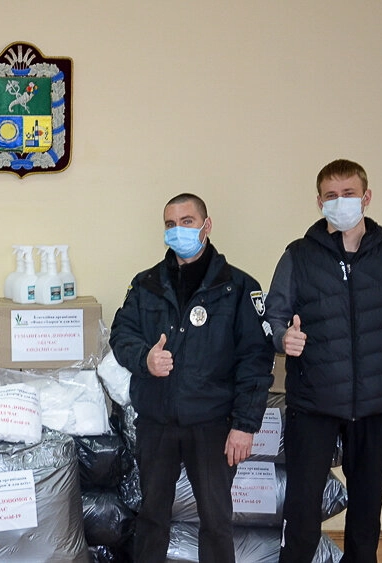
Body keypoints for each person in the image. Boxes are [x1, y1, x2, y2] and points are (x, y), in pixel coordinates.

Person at [109, 193, 274, 563]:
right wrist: (144, 358)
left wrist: (245, 426)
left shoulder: (239, 288)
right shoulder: (146, 284)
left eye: (186, 221)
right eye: (170, 224)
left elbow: (256, 360)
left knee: (216, 520)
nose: (178, 230)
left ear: (206, 225)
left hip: (213, 423)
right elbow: (121, 335)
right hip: (157, 421)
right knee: (151, 516)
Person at [266, 159, 382, 562]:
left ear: (366, 197)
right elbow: (274, 314)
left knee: (367, 510)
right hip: (313, 402)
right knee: (301, 510)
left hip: (376, 403)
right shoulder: (299, 255)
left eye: (349, 194)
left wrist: (373, 361)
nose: (341, 202)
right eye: (331, 196)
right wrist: (285, 338)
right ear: (319, 202)